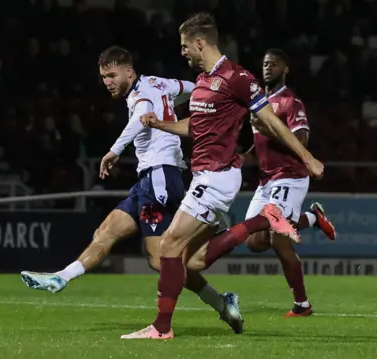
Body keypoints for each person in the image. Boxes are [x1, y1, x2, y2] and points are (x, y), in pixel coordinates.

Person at [121, 13, 324, 340]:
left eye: (185, 46)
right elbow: (193, 126)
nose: (183, 52)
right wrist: (158, 124)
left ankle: (161, 328)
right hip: (205, 175)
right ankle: (260, 221)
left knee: (168, 246)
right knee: (192, 262)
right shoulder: (202, 83)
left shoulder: (237, 77)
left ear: (200, 43)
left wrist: (307, 157)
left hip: (216, 176)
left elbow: (271, 122)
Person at [20, 46, 244, 334]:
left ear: (129, 71)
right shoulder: (160, 83)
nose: (107, 82)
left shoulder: (139, 94)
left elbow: (141, 116)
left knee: (163, 260)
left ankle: (218, 292)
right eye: (103, 77)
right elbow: (192, 89)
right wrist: (189, 104)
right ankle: (61, 278)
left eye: (112, 75)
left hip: (160, 176)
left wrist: (113, 151)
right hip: (148, 180)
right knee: (106, 232)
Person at [241, 48, 337, 317]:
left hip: (290, 176)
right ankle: (312, 219)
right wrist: (243, 157)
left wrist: (267, 130)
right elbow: (258, 141)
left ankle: (302, 304)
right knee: (253, 240)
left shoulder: (290, 102)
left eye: (274, 64)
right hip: (265, 180)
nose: (267, 67)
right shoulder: (259, 103)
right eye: (265, 63)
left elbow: (302, 140)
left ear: (286, 69)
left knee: (278, 237)